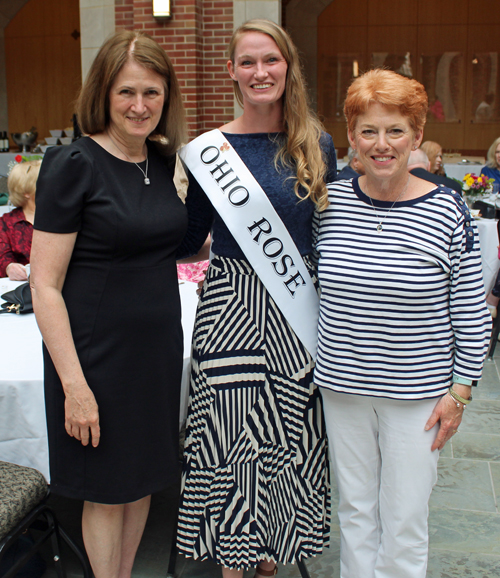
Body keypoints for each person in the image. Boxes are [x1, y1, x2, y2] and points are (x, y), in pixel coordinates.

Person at [29, 30, 210, 578]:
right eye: (127, 92)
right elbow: (44, 284)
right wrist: (75, 387)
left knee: (141, 484)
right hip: (94, 357)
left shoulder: (161, 161)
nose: (140, 105)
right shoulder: (73, 162)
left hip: (154, 351)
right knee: (107, 492)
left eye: (152, 93)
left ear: (166, 97)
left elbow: (174, 243)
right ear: (103, 94)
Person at [313, 69, 491, 578]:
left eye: (395, 131)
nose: (381, 144)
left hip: (418, 396)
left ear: (416, 136)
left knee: (406, 520)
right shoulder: (329, 203)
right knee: (354, 514)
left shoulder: (446, 209)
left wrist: (459, 393)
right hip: (343, 389)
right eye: (368, 130)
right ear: (351, 138)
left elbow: (471, 311)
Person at [177, 19, 336, 578]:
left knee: (286, 430)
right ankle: (231, 560)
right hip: (229, 306)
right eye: (247, 62)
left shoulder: (316, 145)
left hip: (296, 309)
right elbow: (190, 233)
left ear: (287, 66)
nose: (259, 72)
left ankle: (272, 551)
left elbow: (327, 235)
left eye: (270, 59)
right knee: (228, 435)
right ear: (231, 72)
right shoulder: (208, 152)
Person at [0, 159, 40, 279]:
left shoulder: (58, 217)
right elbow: (3, 256)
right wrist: (9, 267)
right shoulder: (7, 222)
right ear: (26, 192)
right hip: (20, 286)